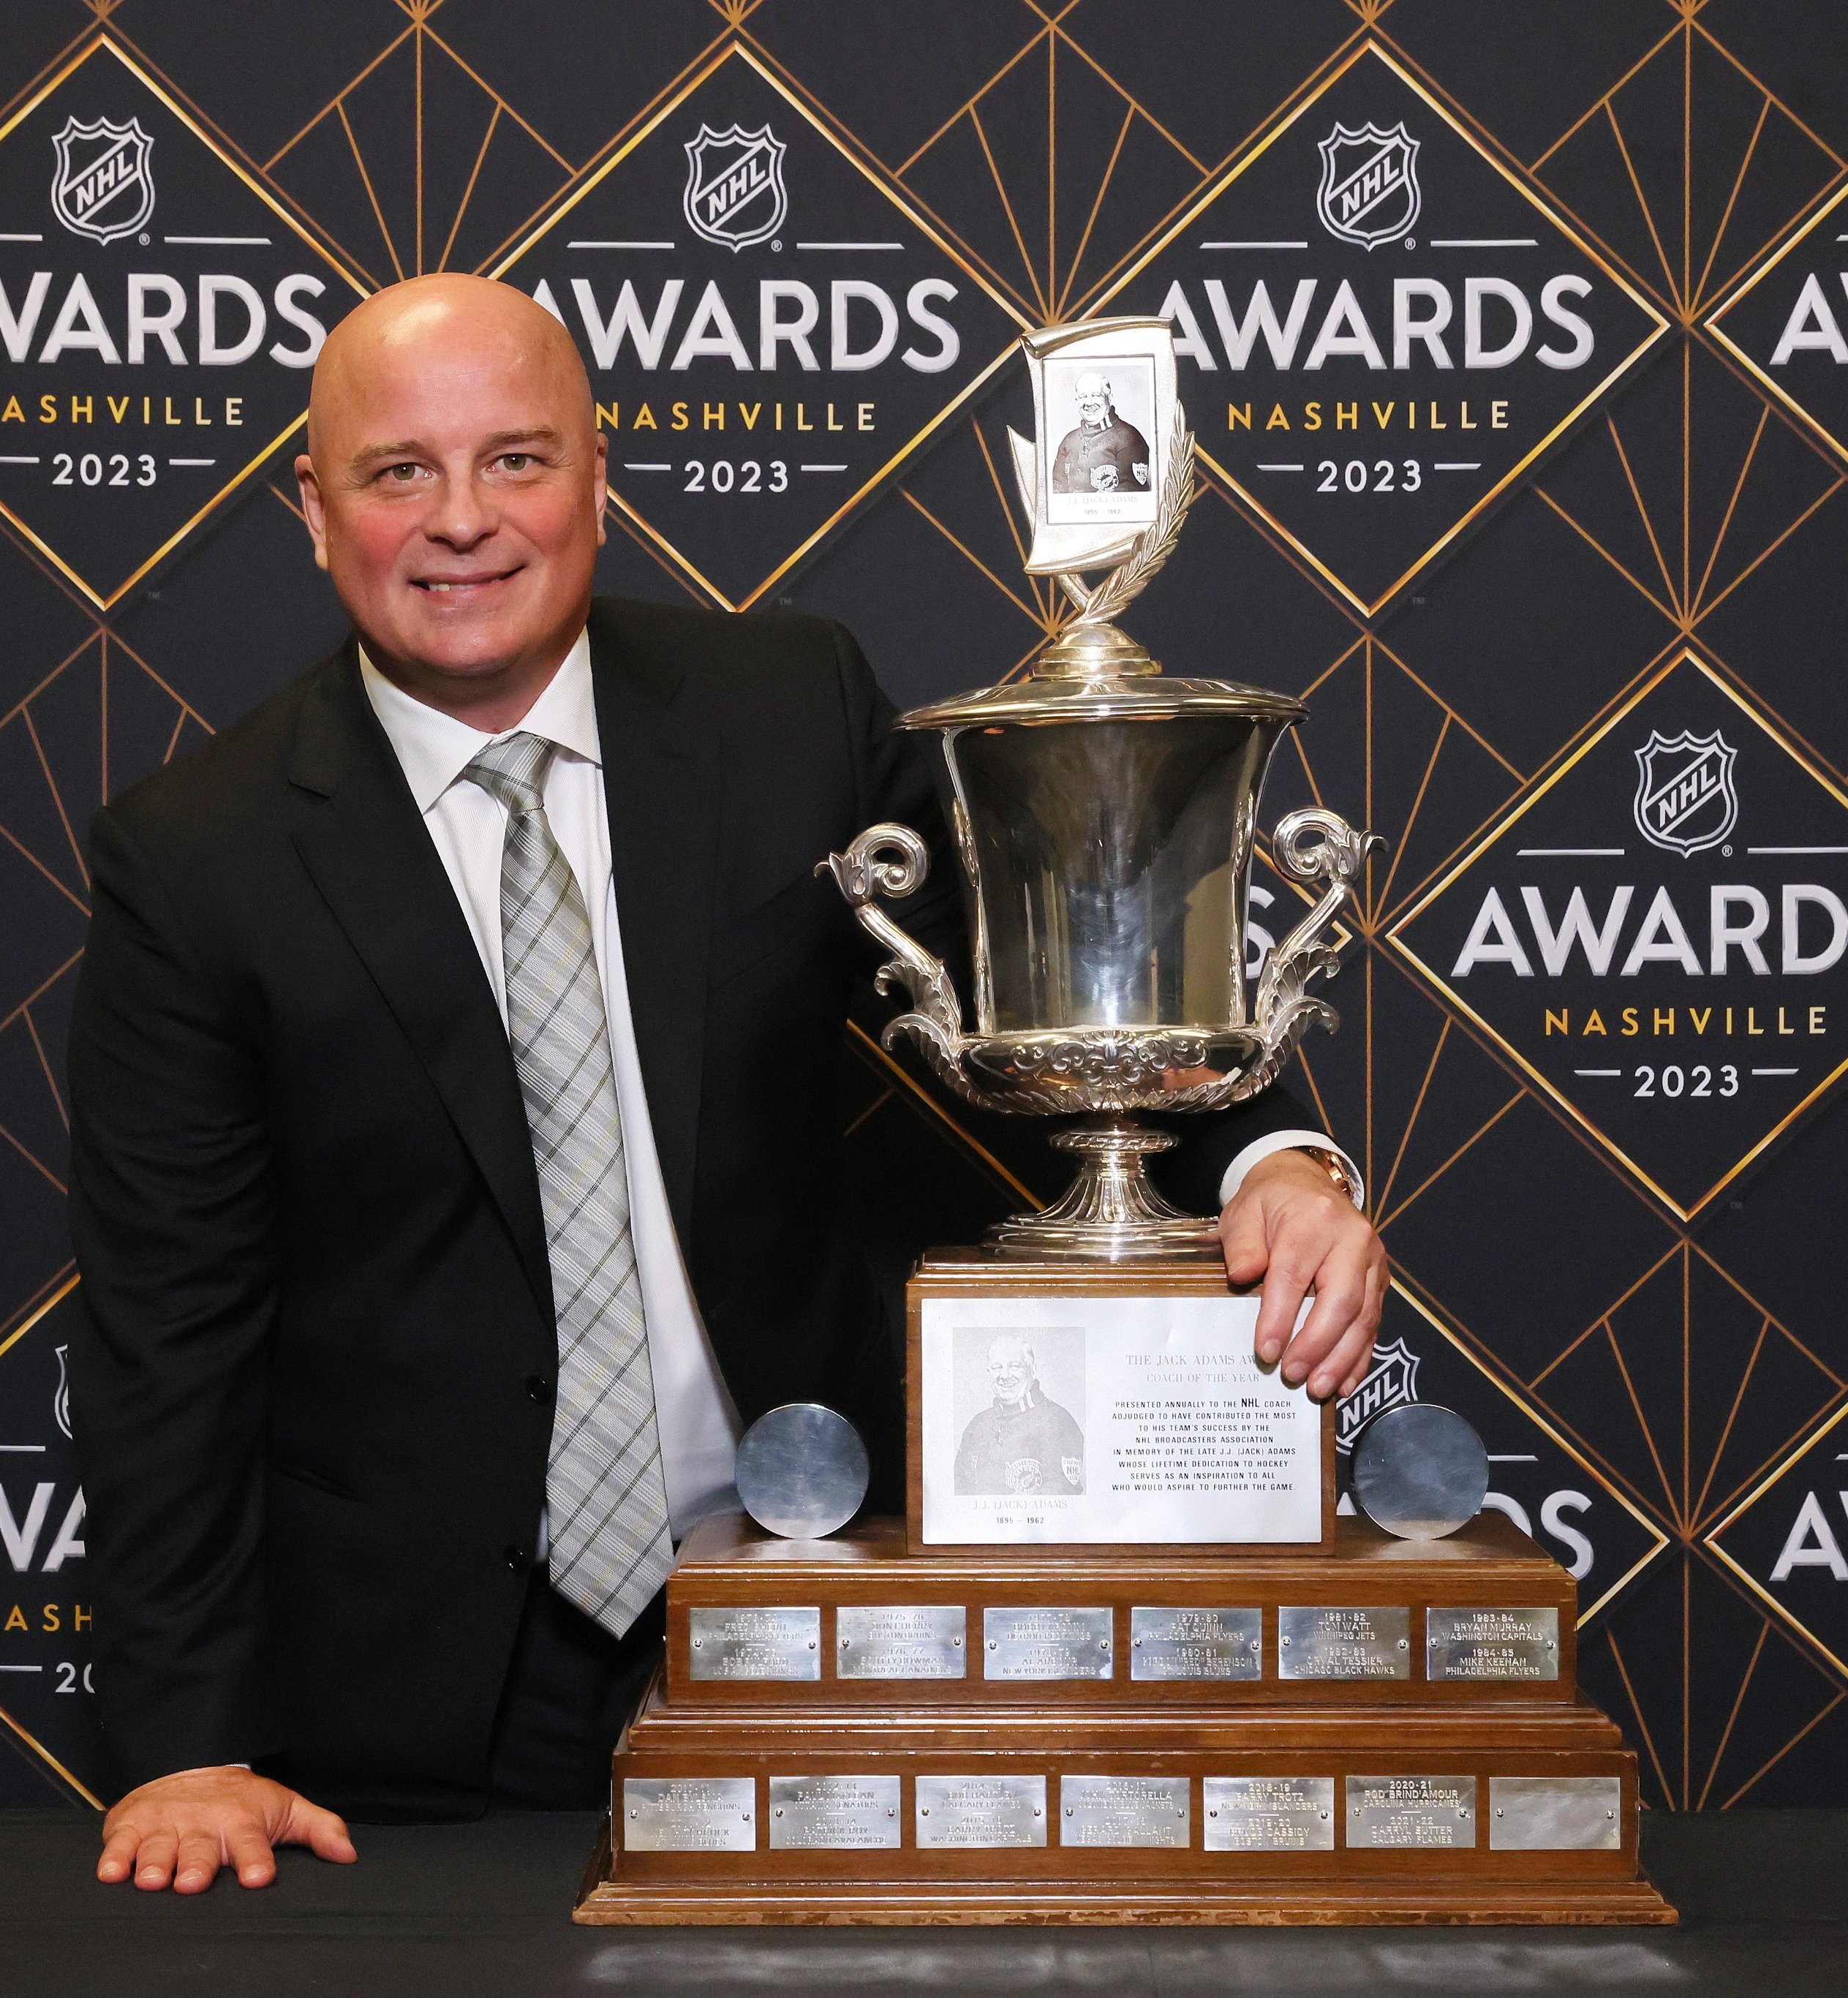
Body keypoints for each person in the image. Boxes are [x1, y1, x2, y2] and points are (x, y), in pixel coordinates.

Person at [67, 275, 1389, 1895]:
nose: (463, 518)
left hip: (818, 1610)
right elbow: (169, 1329)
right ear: (314, 510)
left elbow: (1052, 964)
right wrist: (184, 1746)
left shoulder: (788, 711)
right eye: (399, 470)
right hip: (400, 1704)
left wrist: (1273, 1163)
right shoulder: (195, 856)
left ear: (598, 479)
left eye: (517, 458)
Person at [951, 1336, 1085, 1496]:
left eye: (1015, 1366)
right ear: (989, 1373)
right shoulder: (977, 1425)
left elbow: (1060, 1497)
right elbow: (959, 1490)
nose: (1005, 1375)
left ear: (1032, 1371)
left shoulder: (1059, 1421)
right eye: (997, 1367)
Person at [1047, 370, 1150, 496]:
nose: (1089, 403)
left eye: (1096, 395)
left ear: (1109, 399)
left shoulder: (1128, 437)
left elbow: (1131, 496)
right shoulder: (1069, 440)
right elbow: (1056, 489)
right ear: (1077, 400)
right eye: (1083, 397)